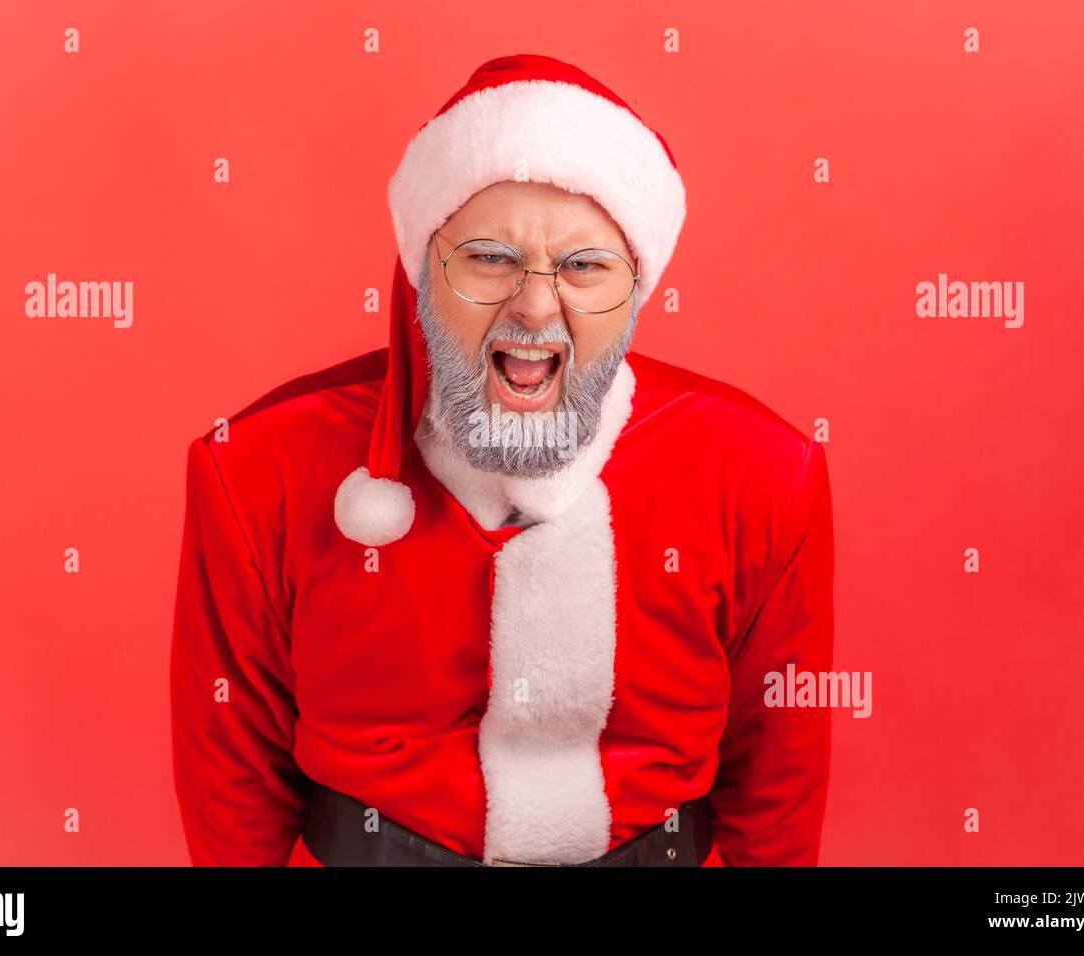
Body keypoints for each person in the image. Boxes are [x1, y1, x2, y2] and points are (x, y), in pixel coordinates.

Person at [170, 52, 834, 867]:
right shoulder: (258, 469)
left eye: (586, 267)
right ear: (422, 271)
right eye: (489, 257)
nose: (535, 303)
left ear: (636, 288)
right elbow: (229, 771)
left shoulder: (762, 472)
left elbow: (779, 772)